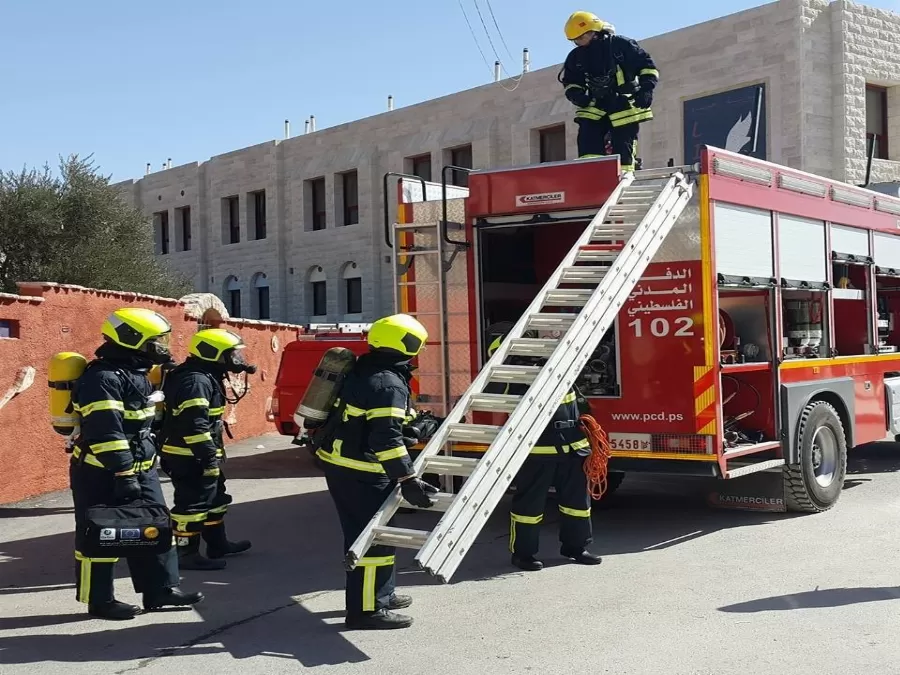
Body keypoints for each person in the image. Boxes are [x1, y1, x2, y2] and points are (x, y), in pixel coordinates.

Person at [70, 308, 204, 620]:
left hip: (141, 469)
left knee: (155, 528)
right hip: (102, 471)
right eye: (156, 341)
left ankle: (160, 591)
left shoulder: (135, 375)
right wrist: (123, 472)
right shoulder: (101, 379)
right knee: (101, 533)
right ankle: (99, 600)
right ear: (132, 339)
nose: (162, 346)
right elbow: (106, 431)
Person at [316, 313, 439, 630]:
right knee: (374, 540)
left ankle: (380, 593)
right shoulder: (388, 383)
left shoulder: (367, 369)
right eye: (417, 345)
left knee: (372, 534)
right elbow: (384, 438)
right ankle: (367, 611)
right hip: (363, 472)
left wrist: (409, 429)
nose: (418, 352)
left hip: (345, 465)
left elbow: (372, 423)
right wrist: (408, 479)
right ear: (406, 344)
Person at [485, 329, 602, 571]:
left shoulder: (559, 369)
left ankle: (576, 547)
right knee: (529, 506)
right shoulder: (508, 378)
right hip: (537, 452)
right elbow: (493, 395)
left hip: (573, 449)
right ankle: (523, 554)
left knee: (577, 503)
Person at [157, 328, 255, 570]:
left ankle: (217, 545)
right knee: (192, 505)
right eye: (231, 354)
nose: (236, 359)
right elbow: (195, 424)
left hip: (199, 453)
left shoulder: (205, 375)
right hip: (189, 455)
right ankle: (185, 554)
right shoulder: (196, 380)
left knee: (214, 498)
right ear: (214, 353)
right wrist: (208, 458)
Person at [559, 11, 659, 173]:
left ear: (594, 32)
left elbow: (646, 66)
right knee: (587, 141)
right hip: (594, 105)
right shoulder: (575, 57)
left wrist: (647, 89)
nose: (579, 43)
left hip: (623, 104)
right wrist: (577, 95)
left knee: (623, 145)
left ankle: (624, 178)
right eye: (575, 41)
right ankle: (591, 176)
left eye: (581, 38)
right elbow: (571, 82)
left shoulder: (620, 45)